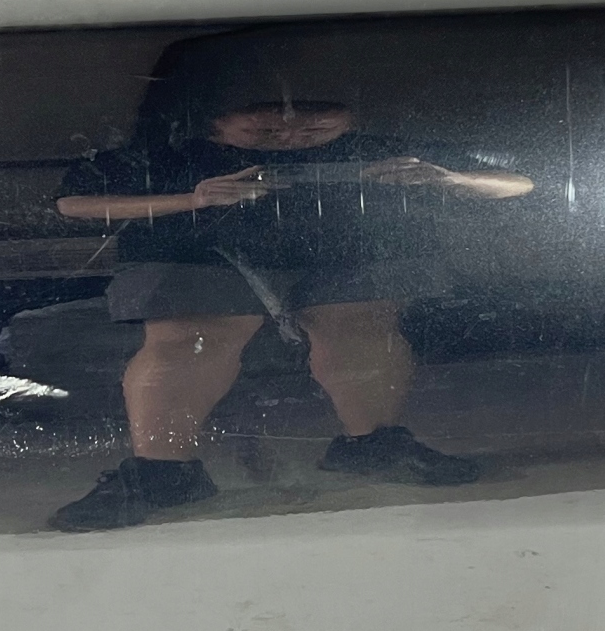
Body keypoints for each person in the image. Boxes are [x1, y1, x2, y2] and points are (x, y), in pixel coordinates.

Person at [47, 97, 533, 531]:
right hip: (200, 251)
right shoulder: (167, 154)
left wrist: (450, 179)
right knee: (191, 341)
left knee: (360, 330)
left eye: (313, 119)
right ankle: (162, 471)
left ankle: (374, 444)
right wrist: (191, 200)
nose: (290, 128)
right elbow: (74, 203)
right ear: (214, 117)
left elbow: (516, 183)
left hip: (349, 250)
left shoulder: (379, 147)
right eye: (267, 124)